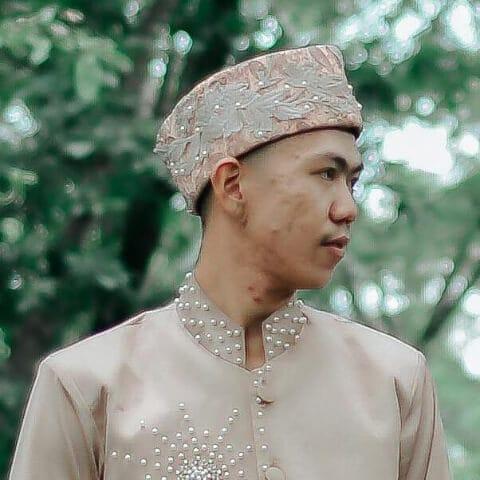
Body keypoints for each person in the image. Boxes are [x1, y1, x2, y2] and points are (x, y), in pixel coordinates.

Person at [7, 44, 451, 480]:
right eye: (326, 174)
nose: (347, 208)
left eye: (351, 182)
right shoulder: (87, 386)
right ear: (233, 185)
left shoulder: (395, 382)